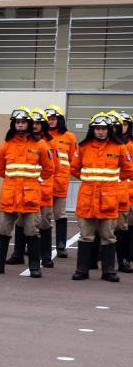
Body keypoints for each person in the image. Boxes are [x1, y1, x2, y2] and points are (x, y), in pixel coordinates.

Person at [0, 107, 54, 278]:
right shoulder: (7, 144)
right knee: (4, 230)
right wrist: (12, 180)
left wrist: (35, 181)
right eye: (18, 122)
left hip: (30, 196)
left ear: (29, 124)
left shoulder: (40, 145)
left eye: (24, 122)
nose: (21, 125)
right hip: (10, 195)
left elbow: (49, 168)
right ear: (14, 124)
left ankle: (34, 267)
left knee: (31, 231)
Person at [69, 113, 133, 282]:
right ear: (92, 129)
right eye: (97, 128)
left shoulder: (119, 147)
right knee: (86, 235)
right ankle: (82, 270)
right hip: (88, 198)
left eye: (104, 128)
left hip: (109, 199)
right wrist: (89, 180)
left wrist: (112, 182)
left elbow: (128, 169)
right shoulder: (83, 147)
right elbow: (74, 168)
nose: (100, 132)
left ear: (109, 129)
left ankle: (109, 271)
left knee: (109, 236)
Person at [43, 104, 76, 258]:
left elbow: (72, 159)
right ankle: (41, 245)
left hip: (61, 182)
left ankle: (61, 245)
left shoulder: (69, 137)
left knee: (60, 214)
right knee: (44, 215)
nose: (51, 121)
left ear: (60, 120)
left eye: (54, 118)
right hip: (45, 182)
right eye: (48, 119)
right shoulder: (42, 136)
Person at [30, 108, 58, 269]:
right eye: (32, 123)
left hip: (45, 188)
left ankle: (46, 256)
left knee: (45, 222)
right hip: (27, 190)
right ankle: (19, 253)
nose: (35, 126)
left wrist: (45, 181)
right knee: (23, 222)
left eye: (38, 123)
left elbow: (56, 167)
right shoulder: (27, 141)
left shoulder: (52, 142)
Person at [112, 111, 133, 273]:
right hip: (106, 193)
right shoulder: (111, 145)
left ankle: (124, 259)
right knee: (103, 229)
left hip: (125, 192)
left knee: (123, 227)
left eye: (125, 124)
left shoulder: (130, 146)